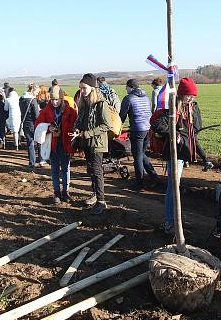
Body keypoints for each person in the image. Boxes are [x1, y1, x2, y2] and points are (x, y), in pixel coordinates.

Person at [151, 77, 207, 233]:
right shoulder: (173, 108)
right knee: (173, 187)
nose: (191, 98)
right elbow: (156, 124)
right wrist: (174, 132)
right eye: (188, 95)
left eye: (193, 95)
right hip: (174, 153)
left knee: (177, 186)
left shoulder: (193, 108)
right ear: (181, 94)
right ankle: (170, 222)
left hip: (185, 151)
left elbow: (196, 128)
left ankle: (177, 220)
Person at [70, 73, 112, 215]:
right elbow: (80, 120)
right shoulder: (84, 103)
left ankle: (101, 201)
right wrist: (77, 128)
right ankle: (95, 195)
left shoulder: (101, 103)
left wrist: (87, 133)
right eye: (80, 88)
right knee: (91, 170)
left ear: (92, 88)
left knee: (97, 171)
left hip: (97, 143)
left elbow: (106, 125)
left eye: (84, 88)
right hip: (86, 142)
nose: (81, 91)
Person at [36, 86, 78, 203]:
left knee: (65, 168)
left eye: (57, 99)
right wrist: (48, 128)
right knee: (54, 169)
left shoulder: (70, 111)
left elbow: (75, 125)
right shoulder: (46, 111)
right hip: (52, 144)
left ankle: (66, 192)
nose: (54, 102)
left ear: (61, 98)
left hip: (65, 144)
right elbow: (38, 123)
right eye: (52, 99)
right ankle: (56, 192)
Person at [119, 78, 159, 190]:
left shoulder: (128, 98)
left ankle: (139, 184)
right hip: (148, 129)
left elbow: (122, 116)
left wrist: (118, 127)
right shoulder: (145, 97)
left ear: (130, 87)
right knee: (142, 153)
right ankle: (154, 176)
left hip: (137, 130)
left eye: (126, 86)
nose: (125, 89)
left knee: (137, 156)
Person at [19, 83, 41, 167]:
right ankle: (41, 159)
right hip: (33, 123)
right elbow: (36, 115)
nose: (37, 94)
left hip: (25, 123)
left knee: (30, 143)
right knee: (39, 141)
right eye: (37, 92)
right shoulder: (33, 100)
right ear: (33, 90)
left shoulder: (21, 99)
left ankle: (32, 162)